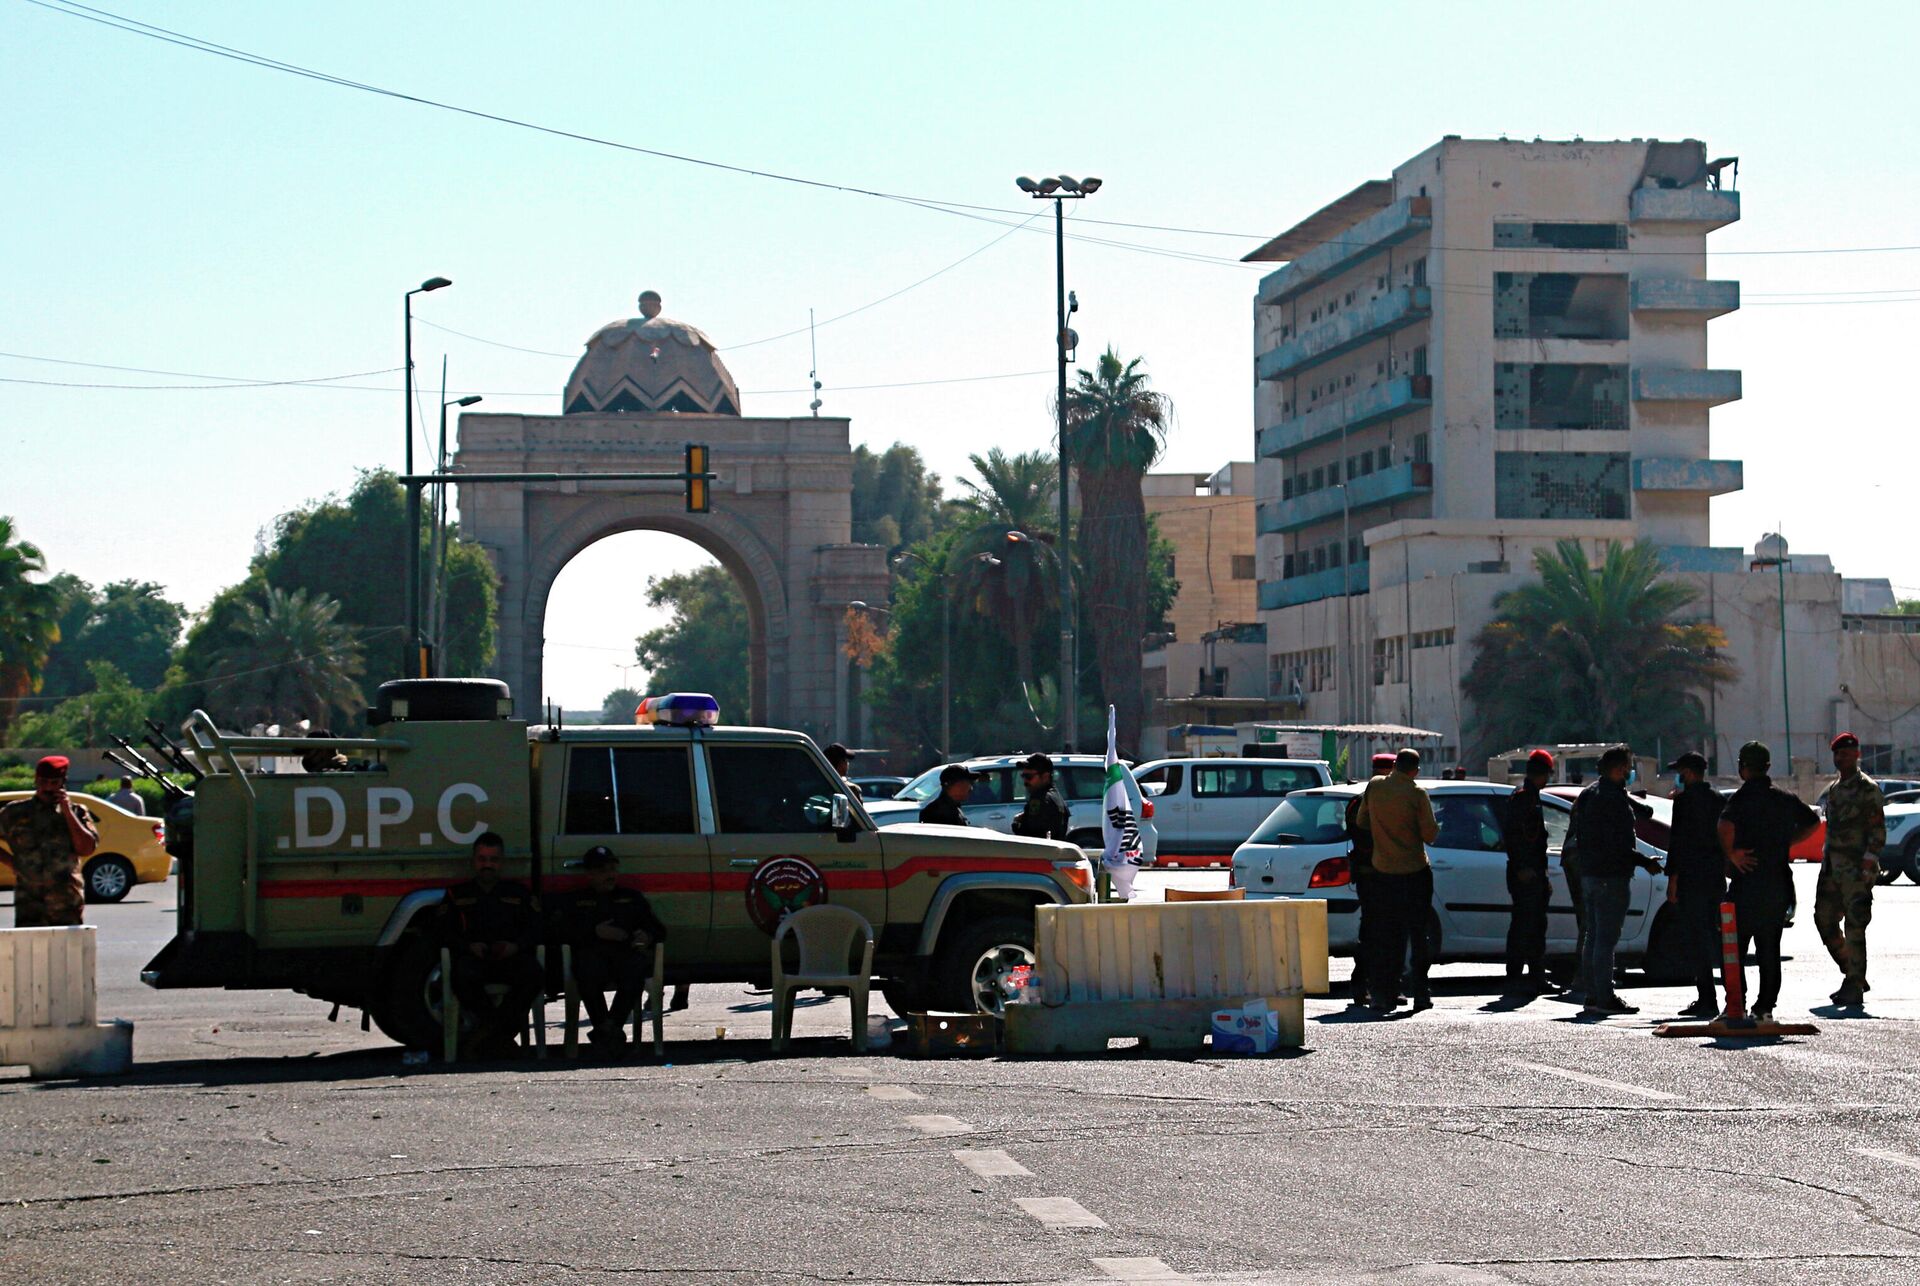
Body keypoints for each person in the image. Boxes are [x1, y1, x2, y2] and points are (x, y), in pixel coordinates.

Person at [1718, 741, 1820, 1023]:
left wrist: (1732, 855)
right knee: (1769, 950)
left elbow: (1724, 826)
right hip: (1777, 884)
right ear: (1767, 768)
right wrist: (1788, 843)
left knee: (1734, 949)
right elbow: (1813, 821)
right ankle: (1765, 1008)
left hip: (1746, 884)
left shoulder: (1740, 798)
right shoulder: (1784, 798)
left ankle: (1735, 1005)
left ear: (1743, 767)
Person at [434, 832, 543, 1056]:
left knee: (534, 974)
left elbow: (537, 928)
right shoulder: (457, 895)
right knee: (461, 975)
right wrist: (468, 947)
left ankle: (488, 1033)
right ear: (474, 861)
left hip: (510, 958)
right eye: (482, 859)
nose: (487, 865)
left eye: (493, 860)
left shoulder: (518, 893)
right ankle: (501, 1036)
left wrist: (516, 946)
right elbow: (443, 932)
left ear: (501, 863)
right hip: (475, 960)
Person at [1572, 746, 1661, 1018]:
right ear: (1618, 768)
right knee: (1605, 940)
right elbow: (1616, 845)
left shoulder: (1590, 794)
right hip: (1610, 877)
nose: (1629, 771)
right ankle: (1604, 996)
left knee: (1593, 937)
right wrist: (1644, 861)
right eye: (1628, 766)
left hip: (1590, 875)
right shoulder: (1611, 800)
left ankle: (1592, 993)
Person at [556, 846, 667, 1053]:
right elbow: (561, 933)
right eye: (602, 871)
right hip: (593, 956)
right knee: (585, 970)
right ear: (589, 874)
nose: (609, 875)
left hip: (624, 956)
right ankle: (609, 1031)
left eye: (612, 869)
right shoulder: (575, 901)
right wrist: (594, 932)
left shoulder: (631, 897)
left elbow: (658, 929)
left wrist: (647, 936)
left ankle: (607, 1030)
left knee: (636, 968)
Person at [1354, 748, 1439, 1013]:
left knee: (1387, 935)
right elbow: (1430, 835)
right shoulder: (1417, 794)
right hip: (1414, 872)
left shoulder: (1375, 787)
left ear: (1394, 765)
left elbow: (1362, 821)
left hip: (1383, 872)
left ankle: (1384, 994)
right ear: (1415, 770)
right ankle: (1421, 993)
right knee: (1418, 933)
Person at [1814, 732, 1885, 1008]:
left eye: (1845, 753)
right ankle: (1851, 971)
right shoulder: (1834, 789)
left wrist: (1869, 863)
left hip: (1857, 869)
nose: (1839, 758)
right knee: (1824, 920)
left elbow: (1878, 831)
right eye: (1836, 754)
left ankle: (1854, 984)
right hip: (1832, 869)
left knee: (1855, 926)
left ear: (1857, 755)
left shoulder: (1868, 789)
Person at [0, 756, 99, 927]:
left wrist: (67, 812)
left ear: (63, 782)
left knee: (67, 953)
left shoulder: (77, 812)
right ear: (36, 780)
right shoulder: (15, 813)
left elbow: (87, 848)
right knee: (30, 952)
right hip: (29, 903)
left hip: (66, 903)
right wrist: (13, 863)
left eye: (54, 782)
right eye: (43, 781)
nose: (48, 787)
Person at [1663, 751, 1726, 1019]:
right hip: (1714, 878)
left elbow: (1677, 844)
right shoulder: (1718, 800)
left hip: (1691, 879)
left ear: (1689, 772)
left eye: (1681, 771)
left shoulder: (1684, 802)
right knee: (1720, 939)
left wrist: (1672, 880)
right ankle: (1735, 996)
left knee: (1697, 939)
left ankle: (1707, 998)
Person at [1344, 752, 1398, 1008]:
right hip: (1375, 874)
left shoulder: (1363, 802)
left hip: (1381, 873)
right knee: (1375, 932)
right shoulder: (1366, 803)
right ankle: (1365, 984)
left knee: (1383, 931)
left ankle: (1379, 984)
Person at [1502, 750, 1554, 994]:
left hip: (1532, 871)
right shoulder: (1524, 798)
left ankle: (1532, 975)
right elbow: (1516, 838)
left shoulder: (1530, 797)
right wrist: (1524, 867)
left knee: (1531, 925)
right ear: (1542, 774)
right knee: (1528, 927)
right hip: (1526, 873)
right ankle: (1526, 976)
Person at [1011, 753, 1071, 842]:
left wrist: (1017, 824)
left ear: (1045, 776)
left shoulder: (1040, 799)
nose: (1025, 782)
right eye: (1023, 776)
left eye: (1029, 777)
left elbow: (1031, 838)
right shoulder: (1056, 797)